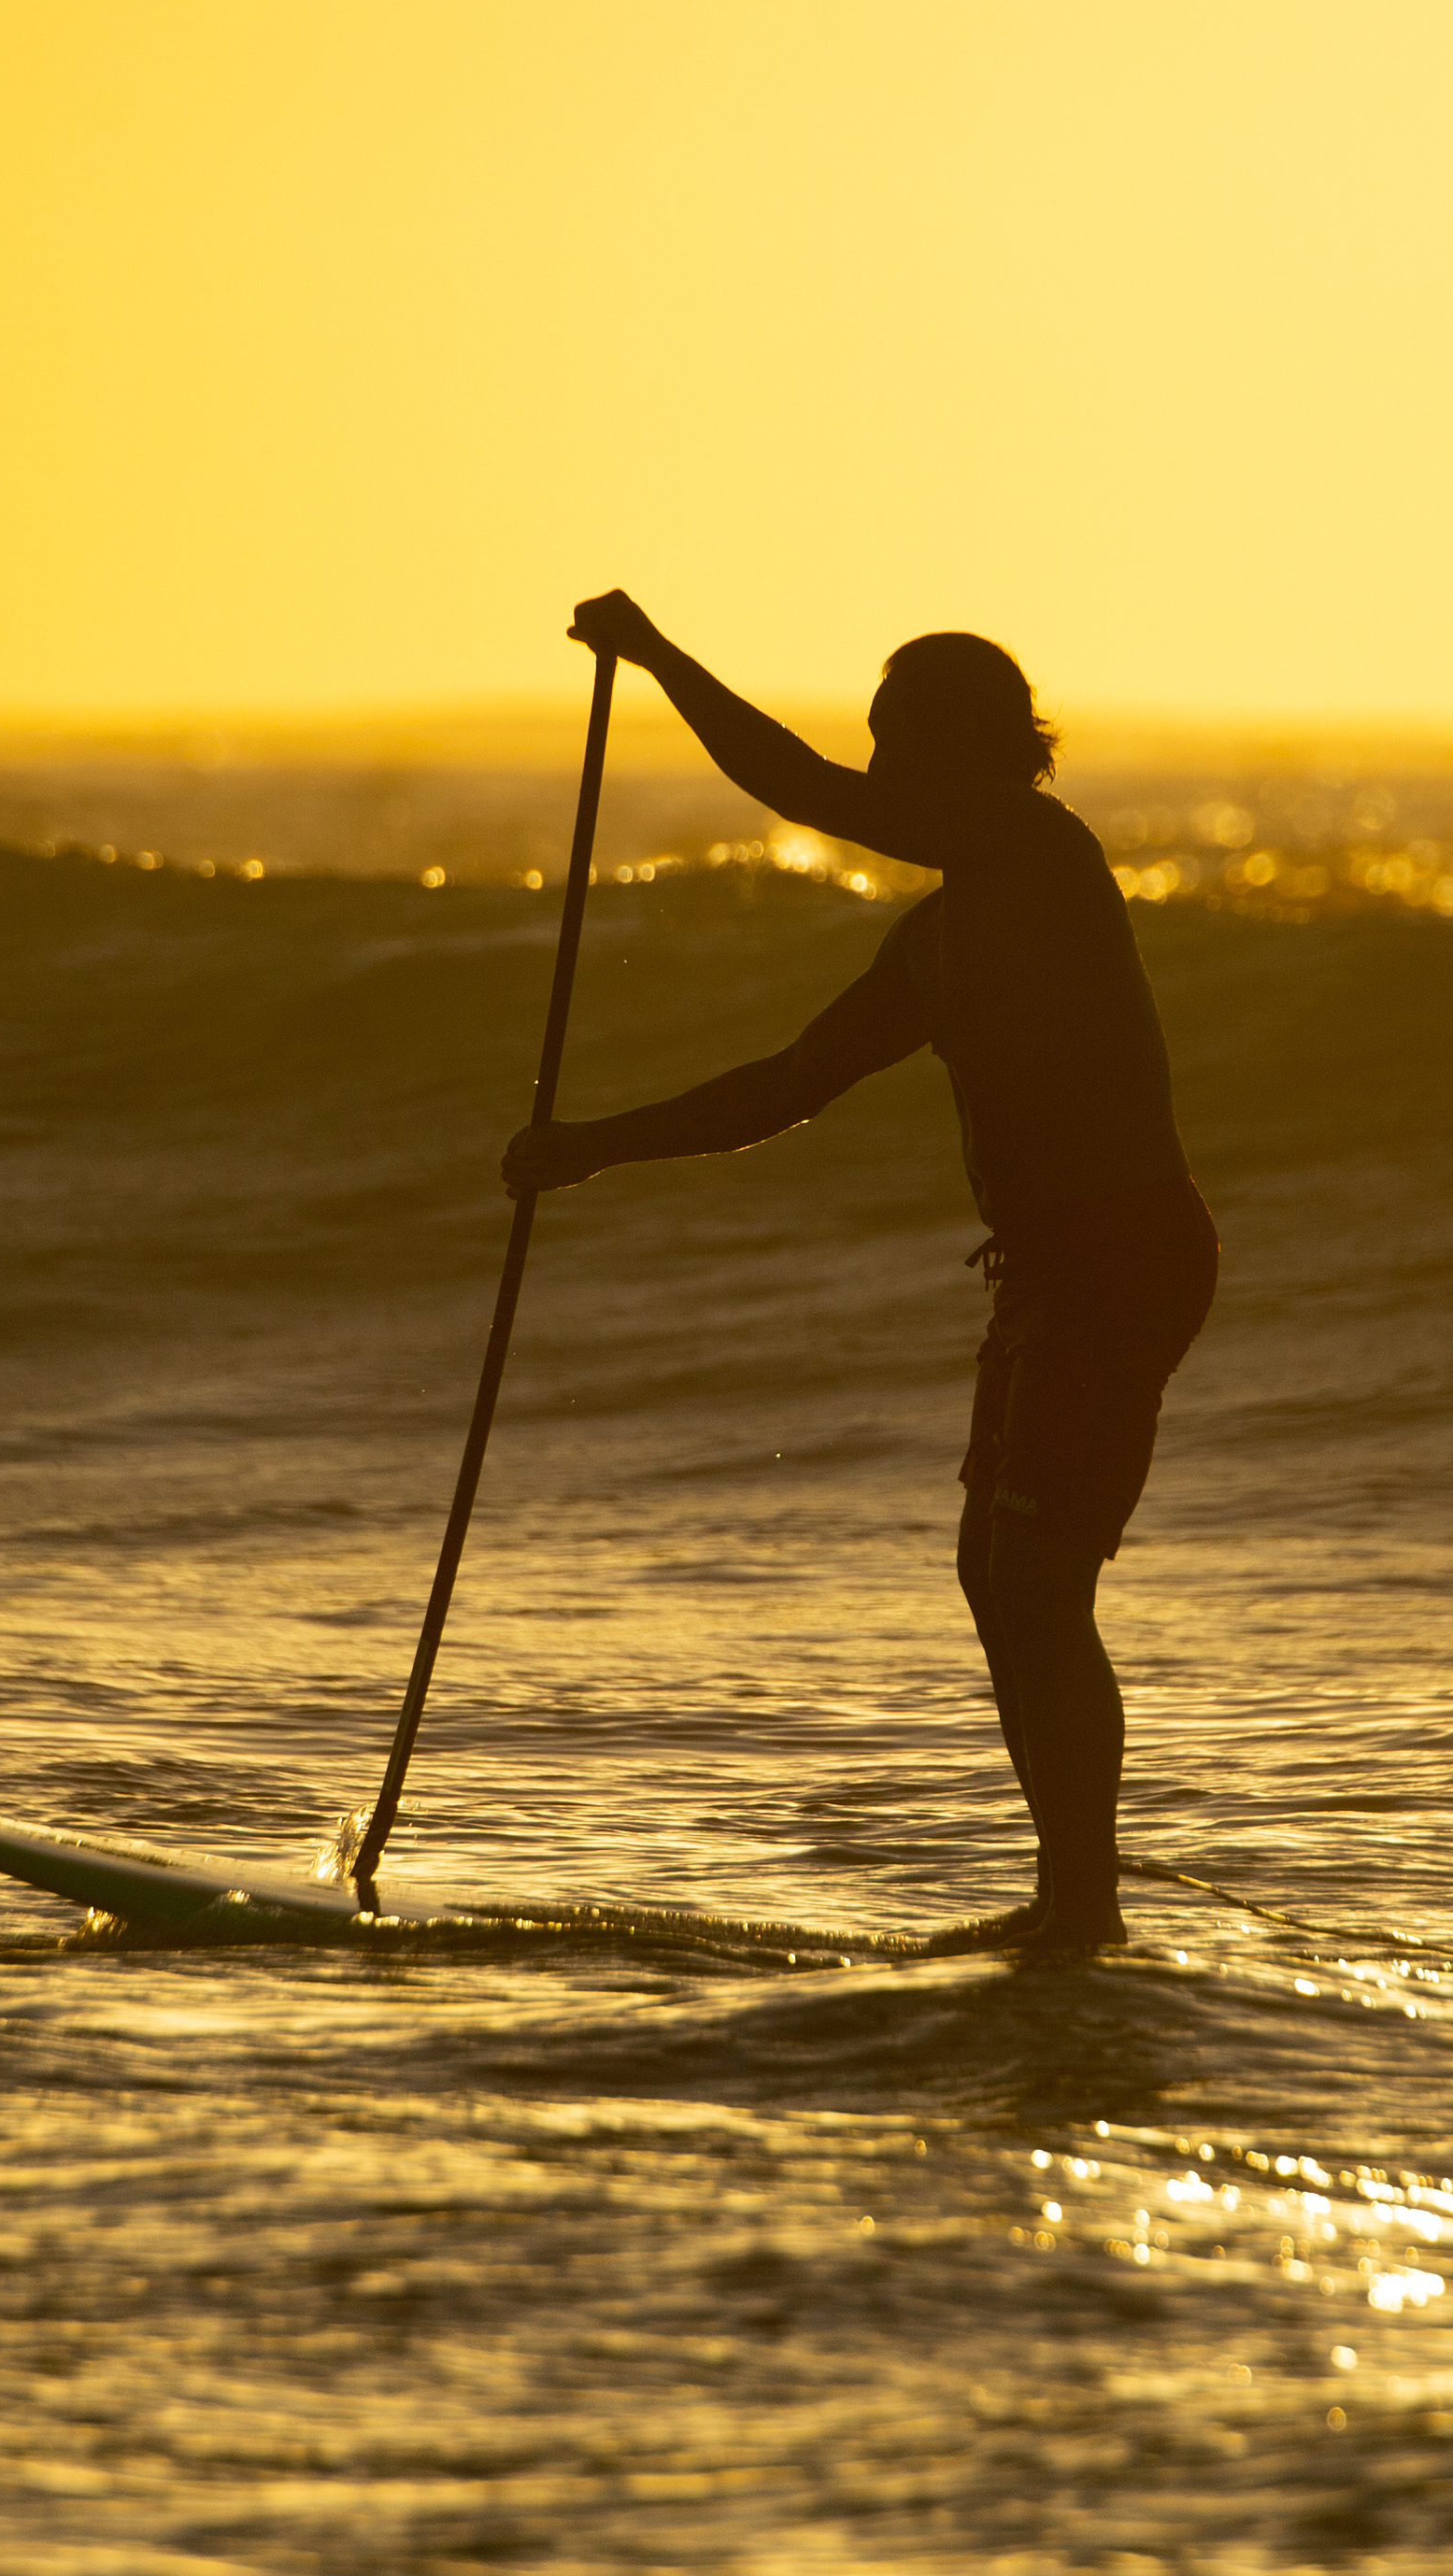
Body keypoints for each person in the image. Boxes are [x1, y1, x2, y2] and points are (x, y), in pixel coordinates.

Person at [504, 592, 1218, 1953]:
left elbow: (804, 789)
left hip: (1125, 1253)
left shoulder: (1038, 846)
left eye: (899, 744)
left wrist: (659, 662)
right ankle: (1069, 1894)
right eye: (877, 744)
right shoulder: (938, 942)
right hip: (1043, 1271)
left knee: (1035, 1581)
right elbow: (786, 1086)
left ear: (976, 750)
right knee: (989, 1569)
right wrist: (587, 1148)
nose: (879, 769)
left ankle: (1086, 1909)